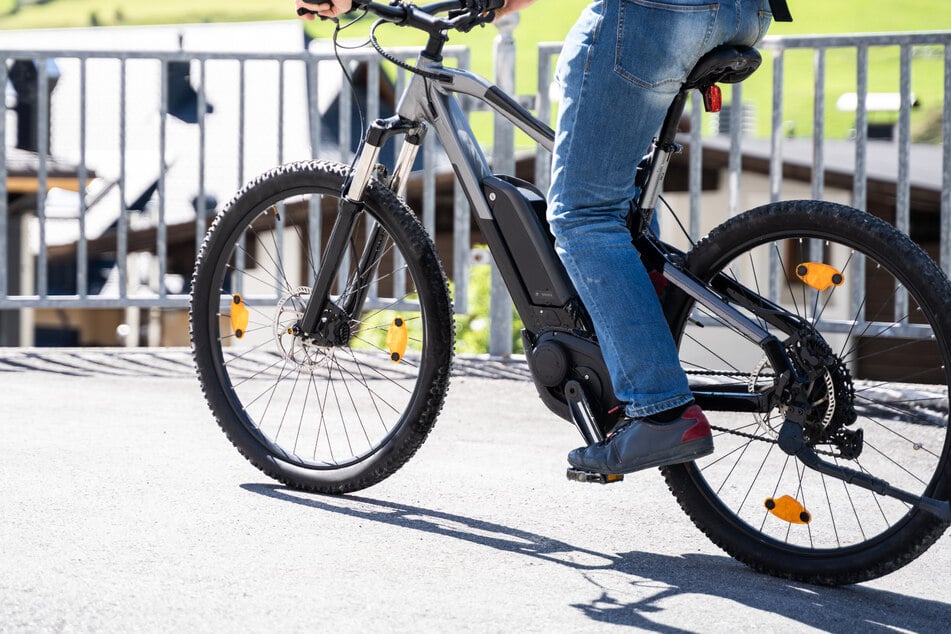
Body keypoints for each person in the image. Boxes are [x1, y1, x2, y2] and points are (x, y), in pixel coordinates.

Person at [296, 0, 776, 475]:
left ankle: (660, 408)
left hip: (657, 13)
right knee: (613, 196)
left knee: (582, 216)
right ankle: (623, 348)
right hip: (744, 10)